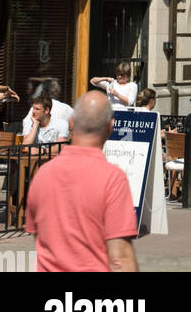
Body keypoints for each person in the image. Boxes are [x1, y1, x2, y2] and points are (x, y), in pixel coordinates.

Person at [24, 90, 138, 273]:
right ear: (111, 127)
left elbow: (38, 236)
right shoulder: (112, 179)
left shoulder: (42, 175)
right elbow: (121, 257)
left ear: (71, 123)